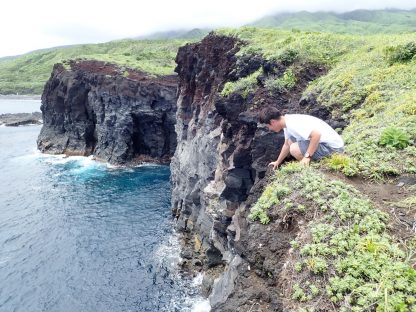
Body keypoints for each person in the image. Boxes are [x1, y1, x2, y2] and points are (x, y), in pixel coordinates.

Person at [259, 107, 344, 169]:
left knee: (294, 149)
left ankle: (311, 168)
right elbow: (286, 145)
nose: (269, 129)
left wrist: (307, 157)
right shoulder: (286, 122)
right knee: (290, 142)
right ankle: (308, 161)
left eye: (268, 126)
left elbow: (317, 135)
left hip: (333, 149)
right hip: (327, 144)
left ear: (272, 122)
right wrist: (278, 161)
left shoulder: (293, 124)